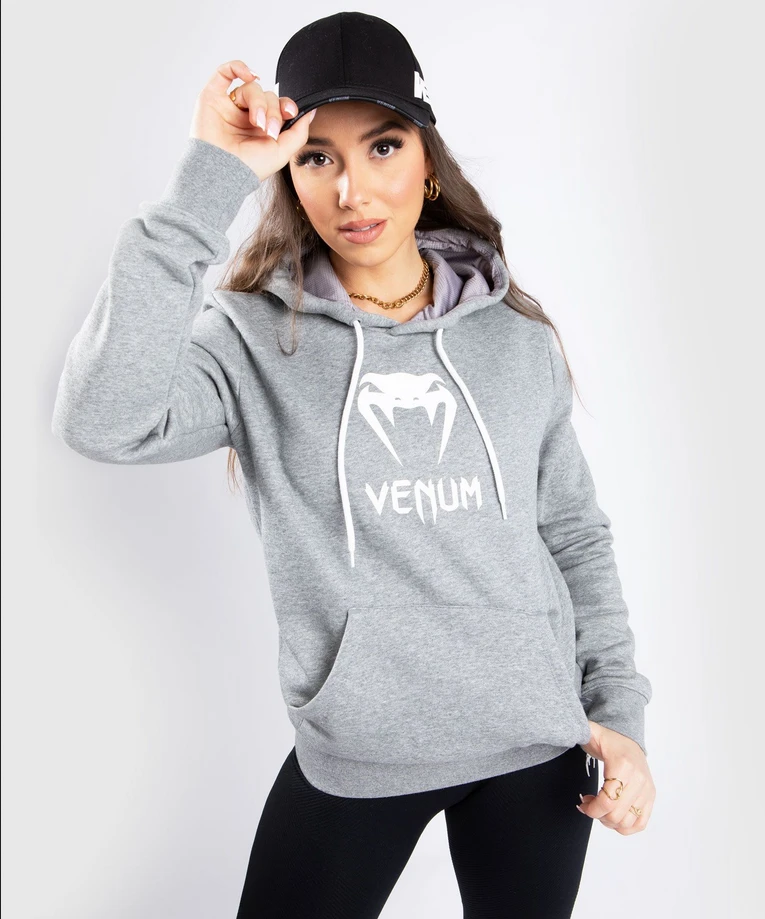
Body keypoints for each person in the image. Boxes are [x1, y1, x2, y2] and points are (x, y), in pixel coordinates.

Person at [51, 11, 655, 918]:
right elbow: (104, 420)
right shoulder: (252, 340)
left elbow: (571, 534)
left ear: (426, 159)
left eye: (381, 146)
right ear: (286, 175)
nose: (351, 190)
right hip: (359, 753)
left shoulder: (509, 338)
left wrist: (619, 714)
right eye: (315, 157)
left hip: (538, 744)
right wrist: (206, 183)